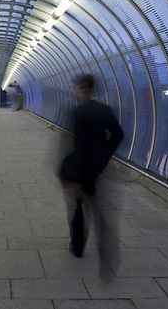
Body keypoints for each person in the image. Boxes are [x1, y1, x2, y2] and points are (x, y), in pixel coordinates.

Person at [58, 73, 124, 278]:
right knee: (98, 208)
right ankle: (107, 251)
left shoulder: (77, 112)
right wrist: (105, 156)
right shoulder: (105, 110)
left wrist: (65, 172)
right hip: (97, 169)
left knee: (78, 209)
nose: (72, 90)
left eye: (74, 88)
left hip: (80, 169)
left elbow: (74, 145)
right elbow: (118, 134)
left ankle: (77, 246)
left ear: (80, 89)